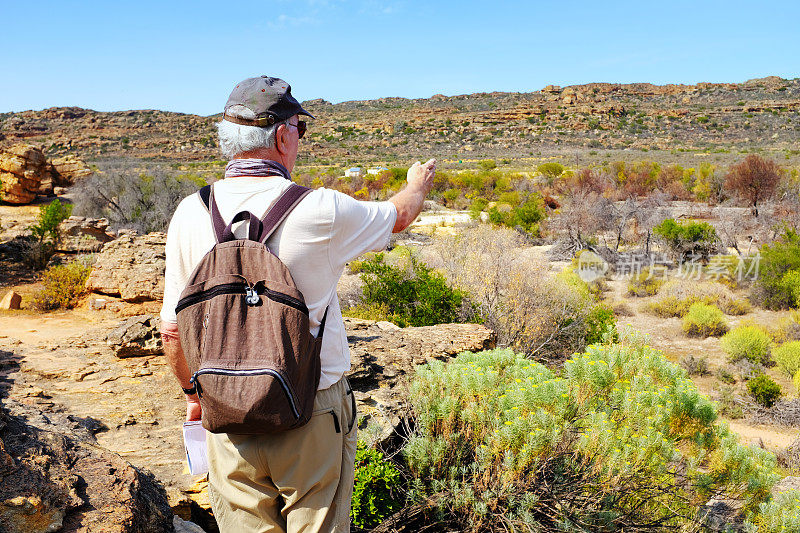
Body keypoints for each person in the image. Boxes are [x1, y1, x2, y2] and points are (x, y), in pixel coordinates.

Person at [159, 75, 436, 532]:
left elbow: (172, 331)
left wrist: (194, 395)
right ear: (283, 134)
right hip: (311, 407)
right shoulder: (320, 208)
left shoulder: (190, 211)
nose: (299, 141)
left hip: (226, 412)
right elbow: (399, 216)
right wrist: (416, 183)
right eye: (299, 131)